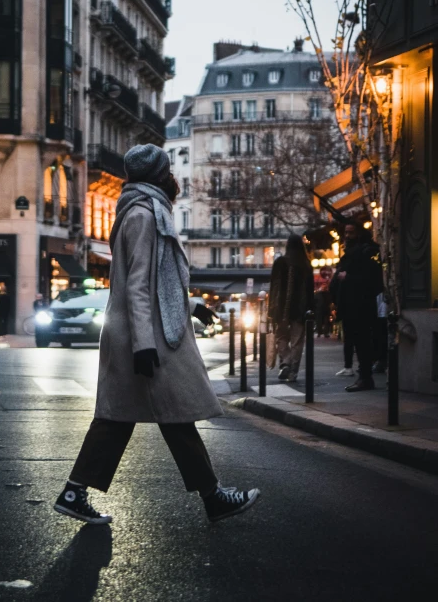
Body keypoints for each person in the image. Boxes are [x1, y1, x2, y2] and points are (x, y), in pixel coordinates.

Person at [53, 144, 260, 525]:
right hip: (144, 336)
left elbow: (153, 281)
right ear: (160, 175)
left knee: (126, 417)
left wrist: (193, 306)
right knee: (171, 414)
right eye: (169, 171)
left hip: (139, 330)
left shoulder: (145, 210)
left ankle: (74, 491)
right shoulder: (144, 215)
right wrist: (145, 345)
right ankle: (213, 497)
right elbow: (138, 285)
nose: (173, 177)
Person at [329, 221, 383, 392]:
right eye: (346, 232)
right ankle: (363, 377)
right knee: (358, 343)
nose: (347, 236)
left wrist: (348, 277)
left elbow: (373, 281)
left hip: (361, 306)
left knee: (363, 343)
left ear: (359, 234)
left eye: (351, 232)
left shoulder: (367, 252)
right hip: (350, 305)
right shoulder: (352, 253)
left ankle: (365, 378)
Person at [268, 234, 314, 383]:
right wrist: (311, 311)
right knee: (297, 341)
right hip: (300, 309)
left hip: (281, 308)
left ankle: (285, 362)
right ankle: (292, 371)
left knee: (280, 338)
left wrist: (271, 309)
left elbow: (273, 287)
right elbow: (310, 291)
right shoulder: (306, 264)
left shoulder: (280, 262)